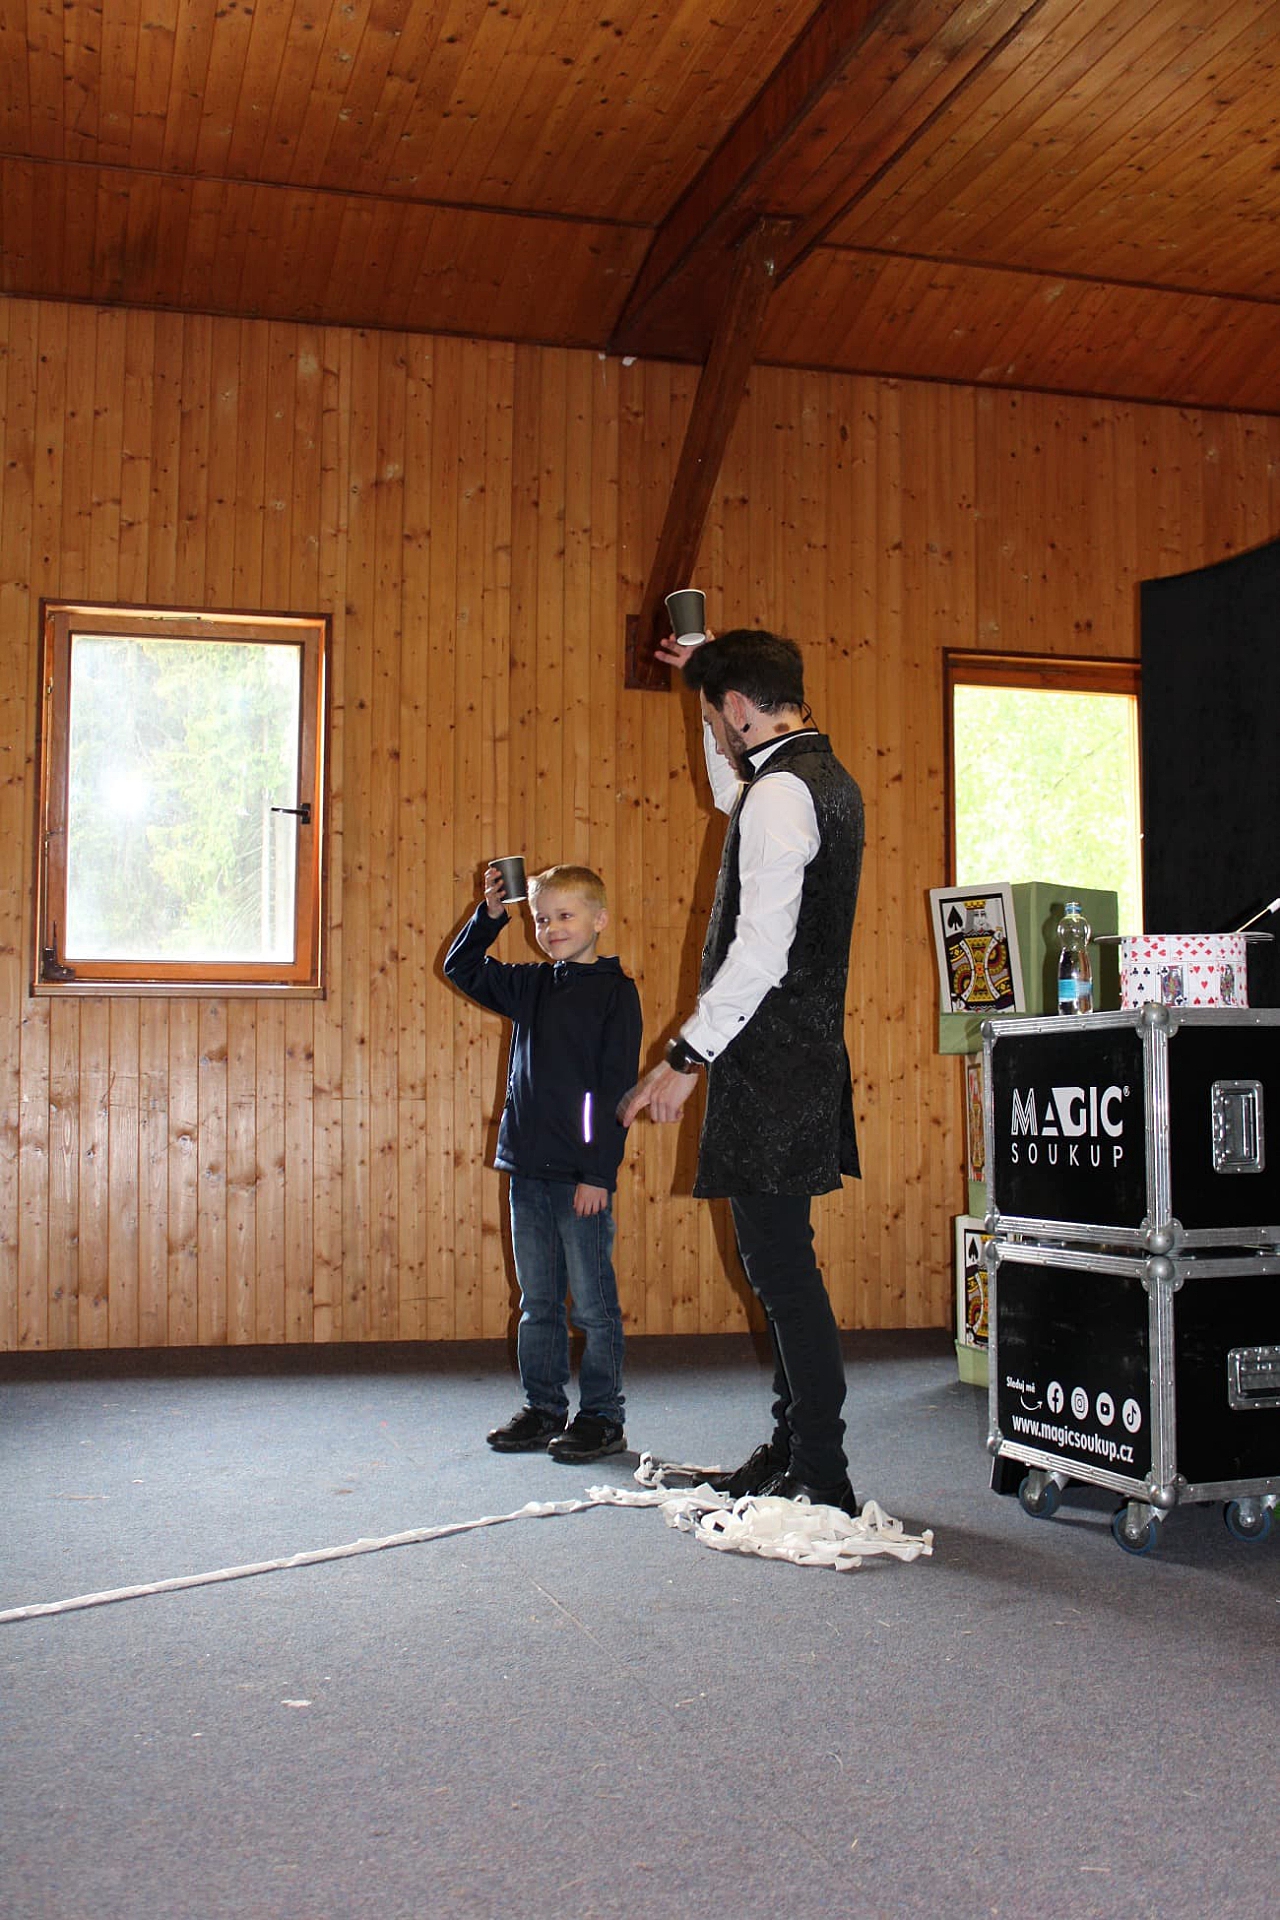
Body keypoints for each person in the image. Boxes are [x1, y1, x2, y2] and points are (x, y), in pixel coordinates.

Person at [619, 629, 864, 1513]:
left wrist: (684, 1057)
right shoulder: (815, 779)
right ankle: (794, 1448)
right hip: (799, 1056)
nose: (718, 732)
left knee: (783, 1273)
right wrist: (702, 680)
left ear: (739, 709)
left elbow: (761, 951)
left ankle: (822, 1474)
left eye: (717, 712)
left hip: (770, 1064)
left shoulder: (782, 793)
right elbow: (734, 791)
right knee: (781, 1264)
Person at [445, 864, 642, 1463]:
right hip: (526, 1173)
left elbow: (614, 1091)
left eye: (565, 916)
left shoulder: (616, 994)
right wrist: (491, 915)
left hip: (581, 1180)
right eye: (541, 918)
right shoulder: (529, 984)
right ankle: (544, 1409)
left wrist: (598, 1175)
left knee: (593, 1306)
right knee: (537, 1301)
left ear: (599, 920)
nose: (552, 928)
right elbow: (461, 968)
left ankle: (603, 1416)